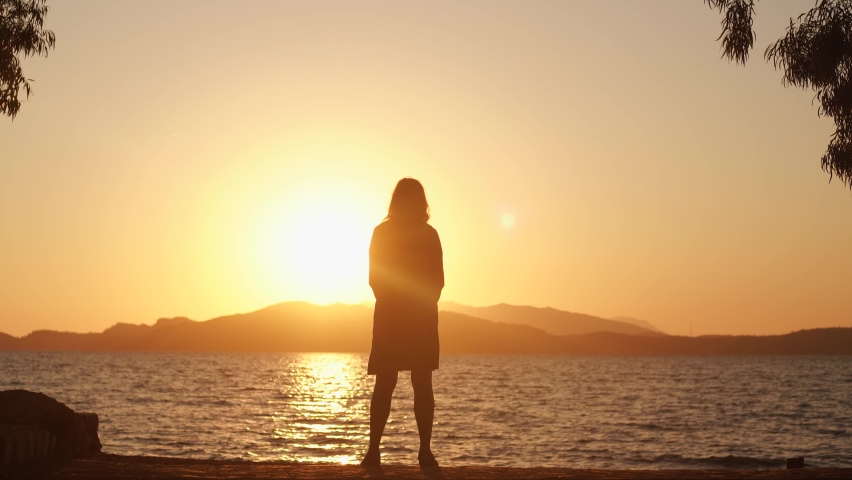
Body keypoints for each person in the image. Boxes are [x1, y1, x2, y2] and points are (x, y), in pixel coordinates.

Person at [361, 178, 444, 468]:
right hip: (405, 317)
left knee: (405, 382)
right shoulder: (407, 233)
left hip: (401, 317)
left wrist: (402, 304)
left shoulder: (411, 234)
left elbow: (436, 281)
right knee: (403, 382)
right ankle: (385, 450)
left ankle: (401, 451)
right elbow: (378, 278)